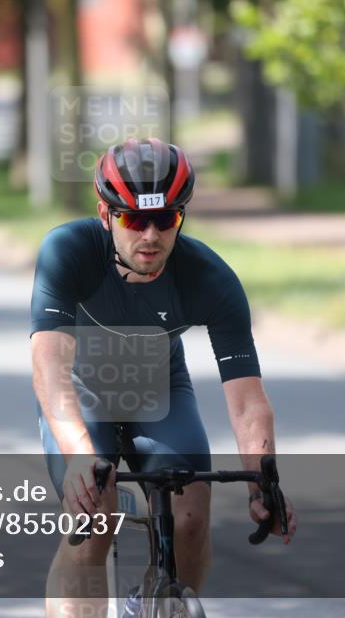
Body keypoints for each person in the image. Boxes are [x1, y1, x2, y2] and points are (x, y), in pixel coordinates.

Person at [30, 138, 297, 617]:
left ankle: (155, 603)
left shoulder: (210, 278)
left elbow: (247, 401)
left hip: (159, 387)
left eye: (166, 219)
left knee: (191, 516)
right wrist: (78, 457)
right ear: (105, 214)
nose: (150, 235)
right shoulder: (67, 251)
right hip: (82, 388)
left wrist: (263, 481)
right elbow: (50, 368)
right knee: (95, 514)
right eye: (134, 219)